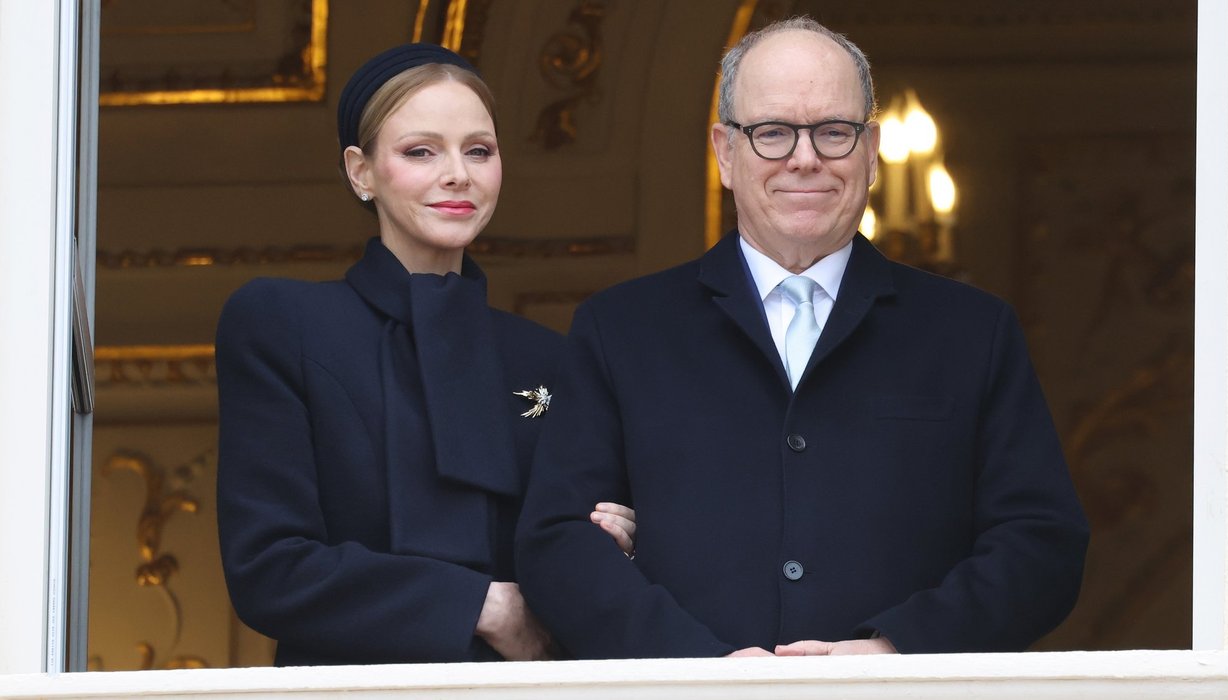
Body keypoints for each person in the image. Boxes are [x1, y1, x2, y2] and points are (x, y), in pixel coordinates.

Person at [514, 17, 1089, 658]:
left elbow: (1042, 543)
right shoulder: (620, 329)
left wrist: (895, 653)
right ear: (726, 152)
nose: (805, 157)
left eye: (833, 132)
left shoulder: (973, 332)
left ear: (871, 151)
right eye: (773, 132)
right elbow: (557, 542)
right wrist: (697, 669)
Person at [215, 43, 634, 666]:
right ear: (361, 172)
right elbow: (270, 570)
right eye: (421, 151)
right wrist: (481, 605)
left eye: (479, 151)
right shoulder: (285, 324)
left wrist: (604, 546)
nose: (458, 174)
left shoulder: (548, 359)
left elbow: (570, 558)